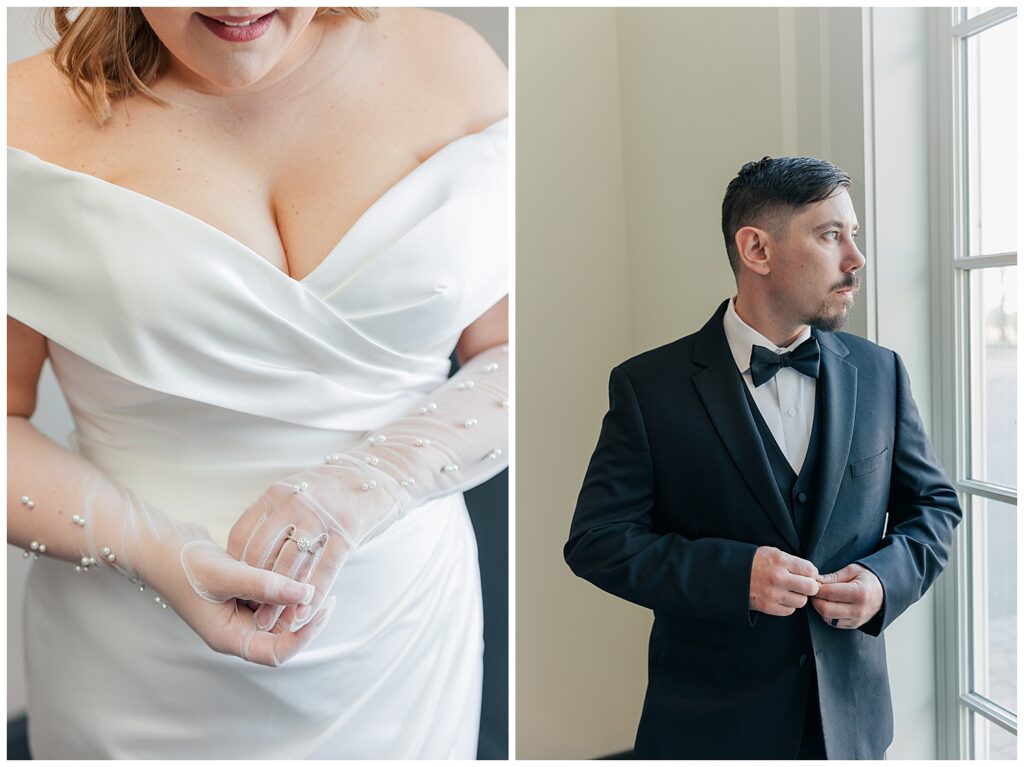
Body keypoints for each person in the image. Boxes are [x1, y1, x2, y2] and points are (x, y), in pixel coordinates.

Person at [8, 6, 507, 759]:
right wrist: (151, 550)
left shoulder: (455, 66)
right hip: (135, 667)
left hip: (402, 646)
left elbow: (507, 350)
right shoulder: (20, 122)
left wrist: (376, 480)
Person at [564, 156, 961, 759]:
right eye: (831, 235)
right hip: (708, 728)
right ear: (756, 248)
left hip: (849, 728)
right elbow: (597, 540)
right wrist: (734, 577)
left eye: (853, 236)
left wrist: (884, 582)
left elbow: (933, 507)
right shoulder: (650, 388)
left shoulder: (881, 372)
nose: (855, 259)